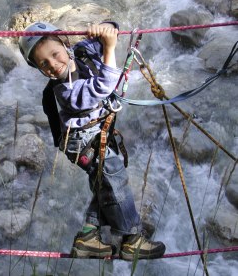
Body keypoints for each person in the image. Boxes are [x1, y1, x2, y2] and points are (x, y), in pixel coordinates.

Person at [18, 21, 166, 260]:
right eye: (44, 64)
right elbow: (104, 87)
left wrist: (105, 28)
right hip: (83, 142)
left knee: (104, 184)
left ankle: (89, 237)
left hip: (94, 135)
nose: (53, 65)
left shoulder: (81, 52)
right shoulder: (65, 91)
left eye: (55, 55)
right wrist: (110, 48)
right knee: (115, 179)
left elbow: (108, 30)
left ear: (66, 44)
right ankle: (132, 239)